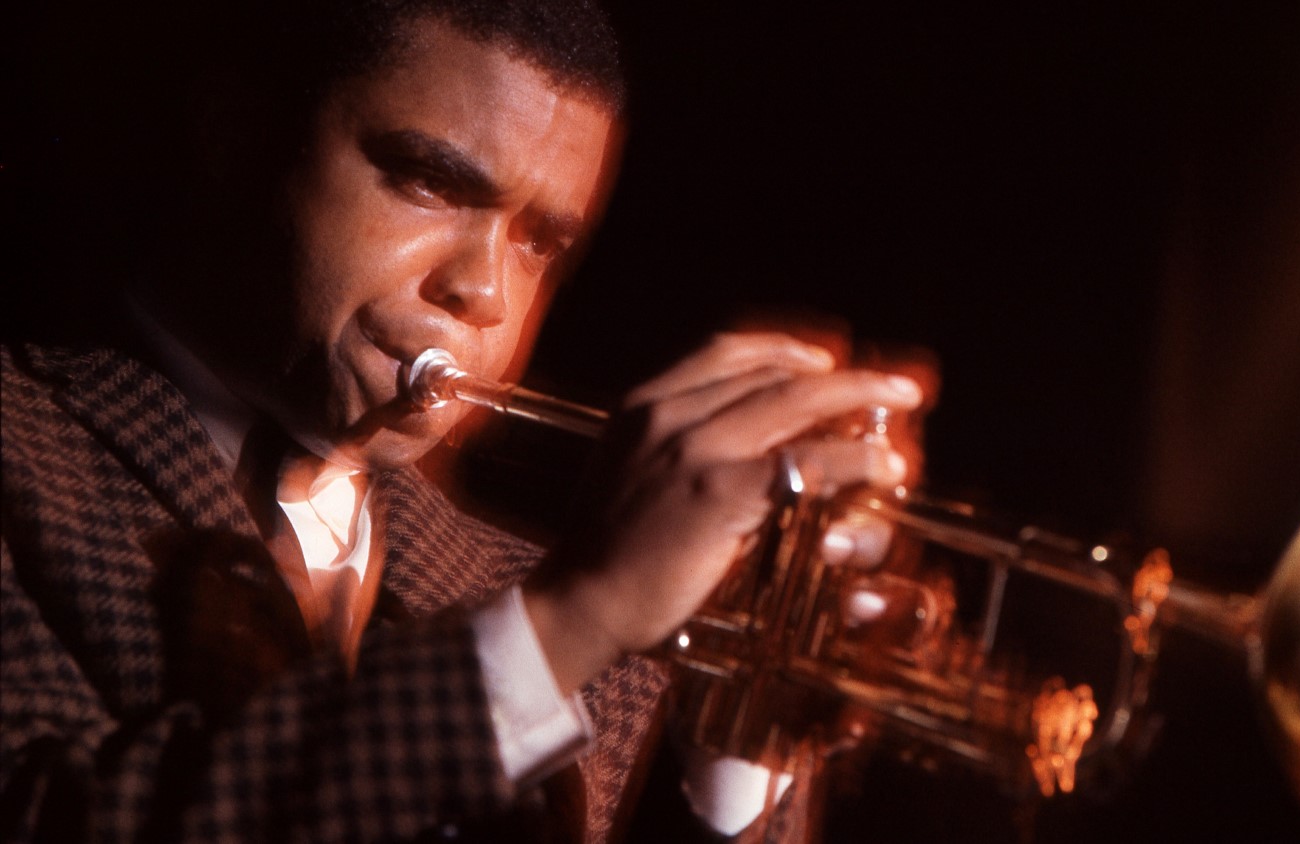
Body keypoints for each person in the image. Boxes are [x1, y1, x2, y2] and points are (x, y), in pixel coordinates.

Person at [1, 0, 922, 840]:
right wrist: (578, 616)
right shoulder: (24, 457)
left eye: (539, 241)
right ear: (238, 132)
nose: (485, 291)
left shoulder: (560, 617)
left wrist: (736, 755)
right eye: (429, 183)